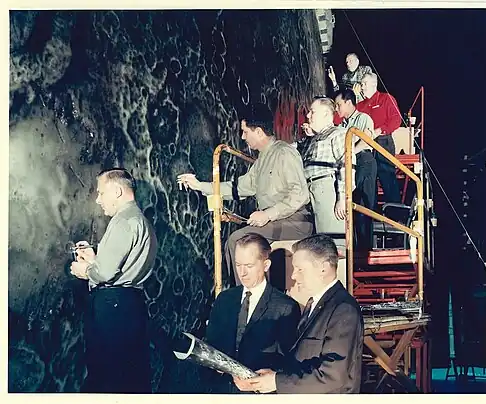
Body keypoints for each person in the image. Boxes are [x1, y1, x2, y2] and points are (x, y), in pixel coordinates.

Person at [177, 104, 313, 285]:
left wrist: (267, 214)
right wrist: (199, 185)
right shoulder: (261, 160)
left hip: (297, 222)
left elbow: (300, 195)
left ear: (259, 132)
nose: (242, 137)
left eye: (245, 132)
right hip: (278, 221)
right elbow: (238, 188)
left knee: (238, 241)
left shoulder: (284, 153)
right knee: (238, 240)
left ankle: (246, 294)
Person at [233, 234, 364, 394]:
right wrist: (275, 376)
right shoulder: (316, 305)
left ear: (323, 268)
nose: (293, 276)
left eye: (300, 269)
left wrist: (276, 382)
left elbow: (332, 375)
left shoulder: (343, 310)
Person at [70, 168, 157, 393]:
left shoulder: (123, 221)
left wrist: (85, 270)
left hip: (112, 307)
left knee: (107, 376)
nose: (98, 200)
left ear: (117, 191)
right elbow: (123, 268)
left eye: (101, 193)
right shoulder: (142, 222)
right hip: (130, 304)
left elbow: (105, 274)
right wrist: (95, 259)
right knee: (129, 374)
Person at [204, 233, 301, 393]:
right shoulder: (224, 299)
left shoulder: (286, 307)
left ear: (266, 265)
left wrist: (263, 380)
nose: (242, 273)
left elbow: (290, 360)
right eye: (238, 265)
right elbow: (211, 344)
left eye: (249, 266)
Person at [295, 96, 356, 286]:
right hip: (310, 190)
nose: (308, 115)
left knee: (333, 246)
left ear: (326, 114)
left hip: (326, 189)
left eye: (312, 112)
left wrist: (342, 197)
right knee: (319, 246)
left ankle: (339, 289)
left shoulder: (338, 134)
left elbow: (346, 165)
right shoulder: (315, 138)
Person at [335, 88, 377, 250]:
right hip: (349, 163)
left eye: (339, 104)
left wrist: (349, 153)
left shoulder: (363, 118)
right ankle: (354, 249)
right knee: (351, 207)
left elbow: (366, 140)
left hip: (363, 161)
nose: (337, 109)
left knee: (363, 207)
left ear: (348, 102)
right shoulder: (342, 125)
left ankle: (365, 250)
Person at [357, 72, 402, 206]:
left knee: (387, 177)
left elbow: (396, 120)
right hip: (365, 145)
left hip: (383, 142)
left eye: (364, 83)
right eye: (361, 84)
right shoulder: (360, 105)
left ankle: (395, 212)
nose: (362, 87)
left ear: (374, 84)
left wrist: (379, 130)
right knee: (367, 180)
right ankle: (369, 212)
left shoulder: (386, 98)